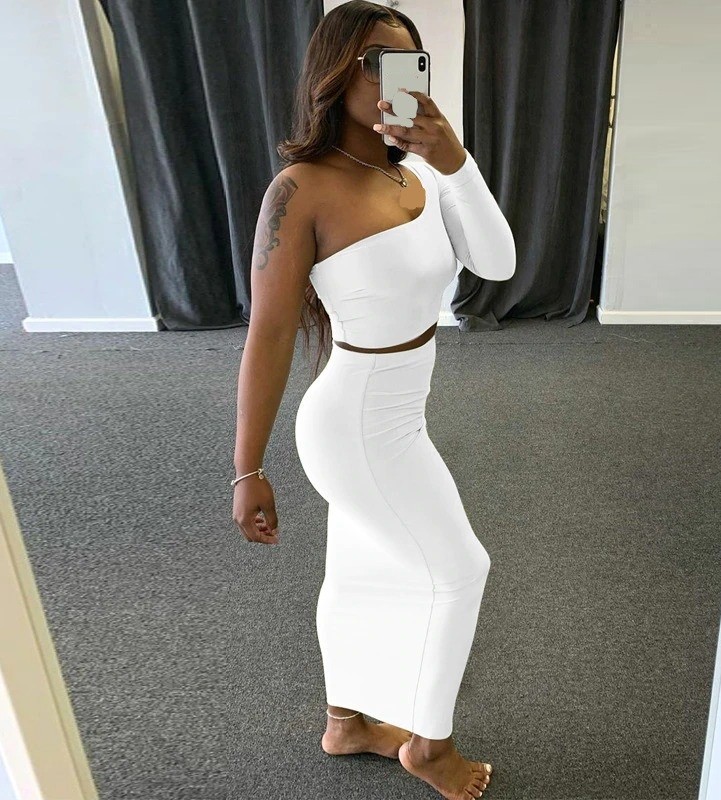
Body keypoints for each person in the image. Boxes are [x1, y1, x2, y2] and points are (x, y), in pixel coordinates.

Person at [232, 4, 515, 799]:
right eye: (371, 61)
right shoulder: (300, 190)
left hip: (401, 413)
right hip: (352, 425)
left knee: (360, 568)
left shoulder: (418, 173)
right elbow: (269, 334)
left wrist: (455, 161)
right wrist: (246, 468)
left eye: (405, 60)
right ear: (333, 73)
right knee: (460, 570)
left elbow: (497, 263)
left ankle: (347, 722)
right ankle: (431, 747)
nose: (390, 78)